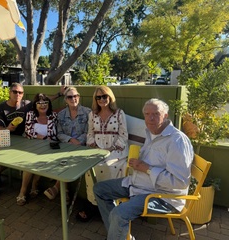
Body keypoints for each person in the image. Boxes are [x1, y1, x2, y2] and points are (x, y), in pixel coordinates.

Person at [93, 98, 194, 240]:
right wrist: (138, 163)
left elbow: (180, 182)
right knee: (100, 189)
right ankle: (117, 234)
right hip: (139, 184)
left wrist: (146, 168)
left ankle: (116, 235)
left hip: (162, 196)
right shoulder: (152, 132)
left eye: (156, 114)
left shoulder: (177, 141)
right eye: (147, 114)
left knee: (119, 214)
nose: (150, 118)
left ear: (165, 116)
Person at [0, 83, 65, 203]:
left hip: (23, 140)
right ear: (9, 92)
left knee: (26, 159)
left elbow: (43, 101)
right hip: (8, 137)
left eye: (20, 92)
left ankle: (2, 179)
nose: (18, 94)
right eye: (15, 92)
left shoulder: (26, 104)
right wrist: (8, 129)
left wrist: (60, 94)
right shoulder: (1, 108)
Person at [77, 85, 129, 222]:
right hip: (97, 149)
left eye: (104, 96)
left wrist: (111, 149)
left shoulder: (119, 113)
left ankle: (111, 205)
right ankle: (94, 204)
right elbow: (90, 133)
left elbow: (123, 135)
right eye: (98, 97)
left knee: (108, 167)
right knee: (90, 167)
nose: (101, 99)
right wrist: (93, 144)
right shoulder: (92, 114)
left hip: (116, 150)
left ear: (110, 97)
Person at [43, 87, 91, 204]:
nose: (73, 98)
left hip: (82, 145)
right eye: (70, 97)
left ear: (79, 97)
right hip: (67, 145)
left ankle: (58, 188)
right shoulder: (61, 115)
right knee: (60, 157)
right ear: (65, 99)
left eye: (75, 96)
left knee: (67, 159)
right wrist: (70, 140)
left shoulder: (87, 112)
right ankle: (65, 191)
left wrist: (78, 141)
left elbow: (90, 132)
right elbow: (59, 133)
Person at [15, 93, 58, 205]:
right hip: (32, 146)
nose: (42, 105)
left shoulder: (53, 116)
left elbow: (54, 134)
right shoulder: (31, 114)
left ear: (48, 104)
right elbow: (29, 132)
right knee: (29, 163)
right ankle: (23, 191)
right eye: (39, 103)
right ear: (35, 105)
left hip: (48, 148)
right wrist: (42, 137)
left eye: (45, 103)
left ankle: (35, 185)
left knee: (40, 161)